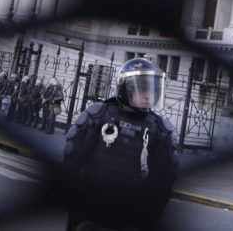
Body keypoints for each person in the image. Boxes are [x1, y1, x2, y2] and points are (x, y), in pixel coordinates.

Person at [62, 57, 179, 231]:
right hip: (90, 209)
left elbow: (163, 185)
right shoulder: (97, 116)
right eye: (143, 89)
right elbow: (72, 164)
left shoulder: (160, 131)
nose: (149, 95)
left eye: (153, 89)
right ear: (126, 88)